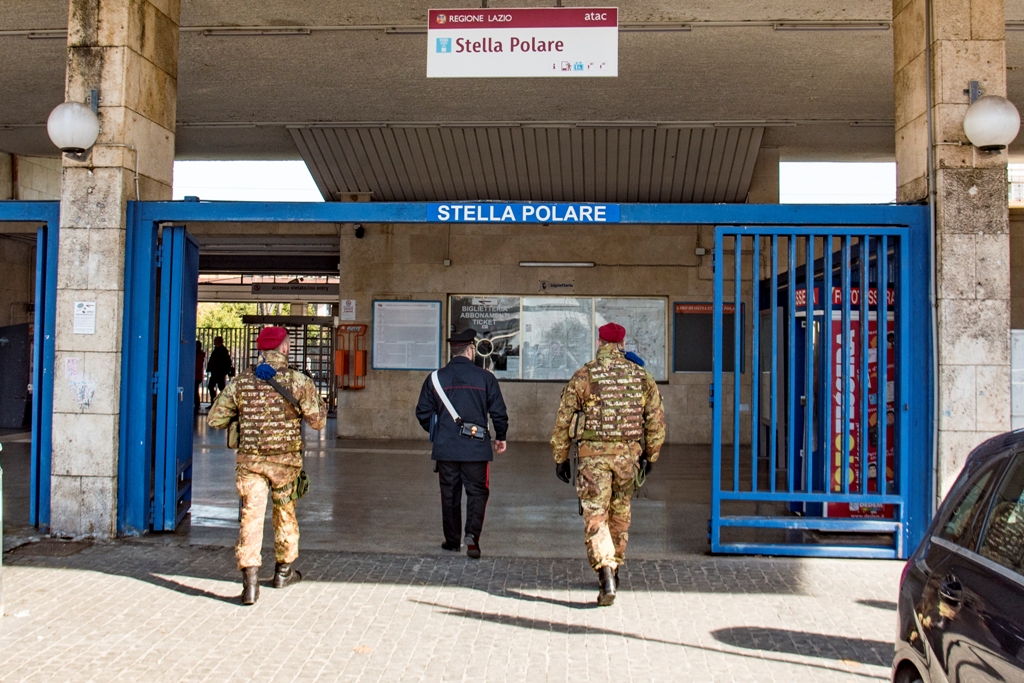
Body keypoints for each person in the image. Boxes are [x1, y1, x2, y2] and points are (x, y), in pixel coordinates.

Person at [207, 326, 327, 606]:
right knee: (285, 514)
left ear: (261, 350)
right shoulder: (299, 381)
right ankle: (283, 573)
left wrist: (243, 417)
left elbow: (214, 419)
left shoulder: (242, 381)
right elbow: (318, 421)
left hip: (250, 462)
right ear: (284, 348)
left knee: (250, 516)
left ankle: (250, 585)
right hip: (285, 463)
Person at [550, 322, 665, 606]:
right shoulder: (641, 377)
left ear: (599, 343)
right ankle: (615, 567)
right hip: (628, 459)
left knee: (595, 515)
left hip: (593, 460)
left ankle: (606, 573)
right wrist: (651, 456)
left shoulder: (585, 375)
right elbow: (656, 421)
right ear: (622, 344)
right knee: (620, 513)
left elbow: (563, 420)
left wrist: (561, 458)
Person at [416, 328, 509, 559]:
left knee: (449, 493)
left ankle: (451, 540)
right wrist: (501, 436)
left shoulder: (435, 378)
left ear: (453, 351)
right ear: (470, 350)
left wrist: (441, 433)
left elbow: (422, 413)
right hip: (476, 449)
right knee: (477, 492)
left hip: (446, 449)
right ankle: (472, 538)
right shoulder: (486, 378)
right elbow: (499, 412)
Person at [206, 335, 233, 402]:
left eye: (216, 340)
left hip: (220, 372)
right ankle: (216, 401)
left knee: (219, 387)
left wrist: (224, 370)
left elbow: (226, 361)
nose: (214, 341)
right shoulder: (217, 349)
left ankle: (219, 402)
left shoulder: (222, 350)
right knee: (213, 387)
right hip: (216, 372)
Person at [194, 341, 206, 414]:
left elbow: (198, 365)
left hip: (196, 375)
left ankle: (197, 405)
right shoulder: (200, 354)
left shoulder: (198, 354)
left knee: (195, 391)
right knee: (195, 390)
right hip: (198, 375)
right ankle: (197, 404)